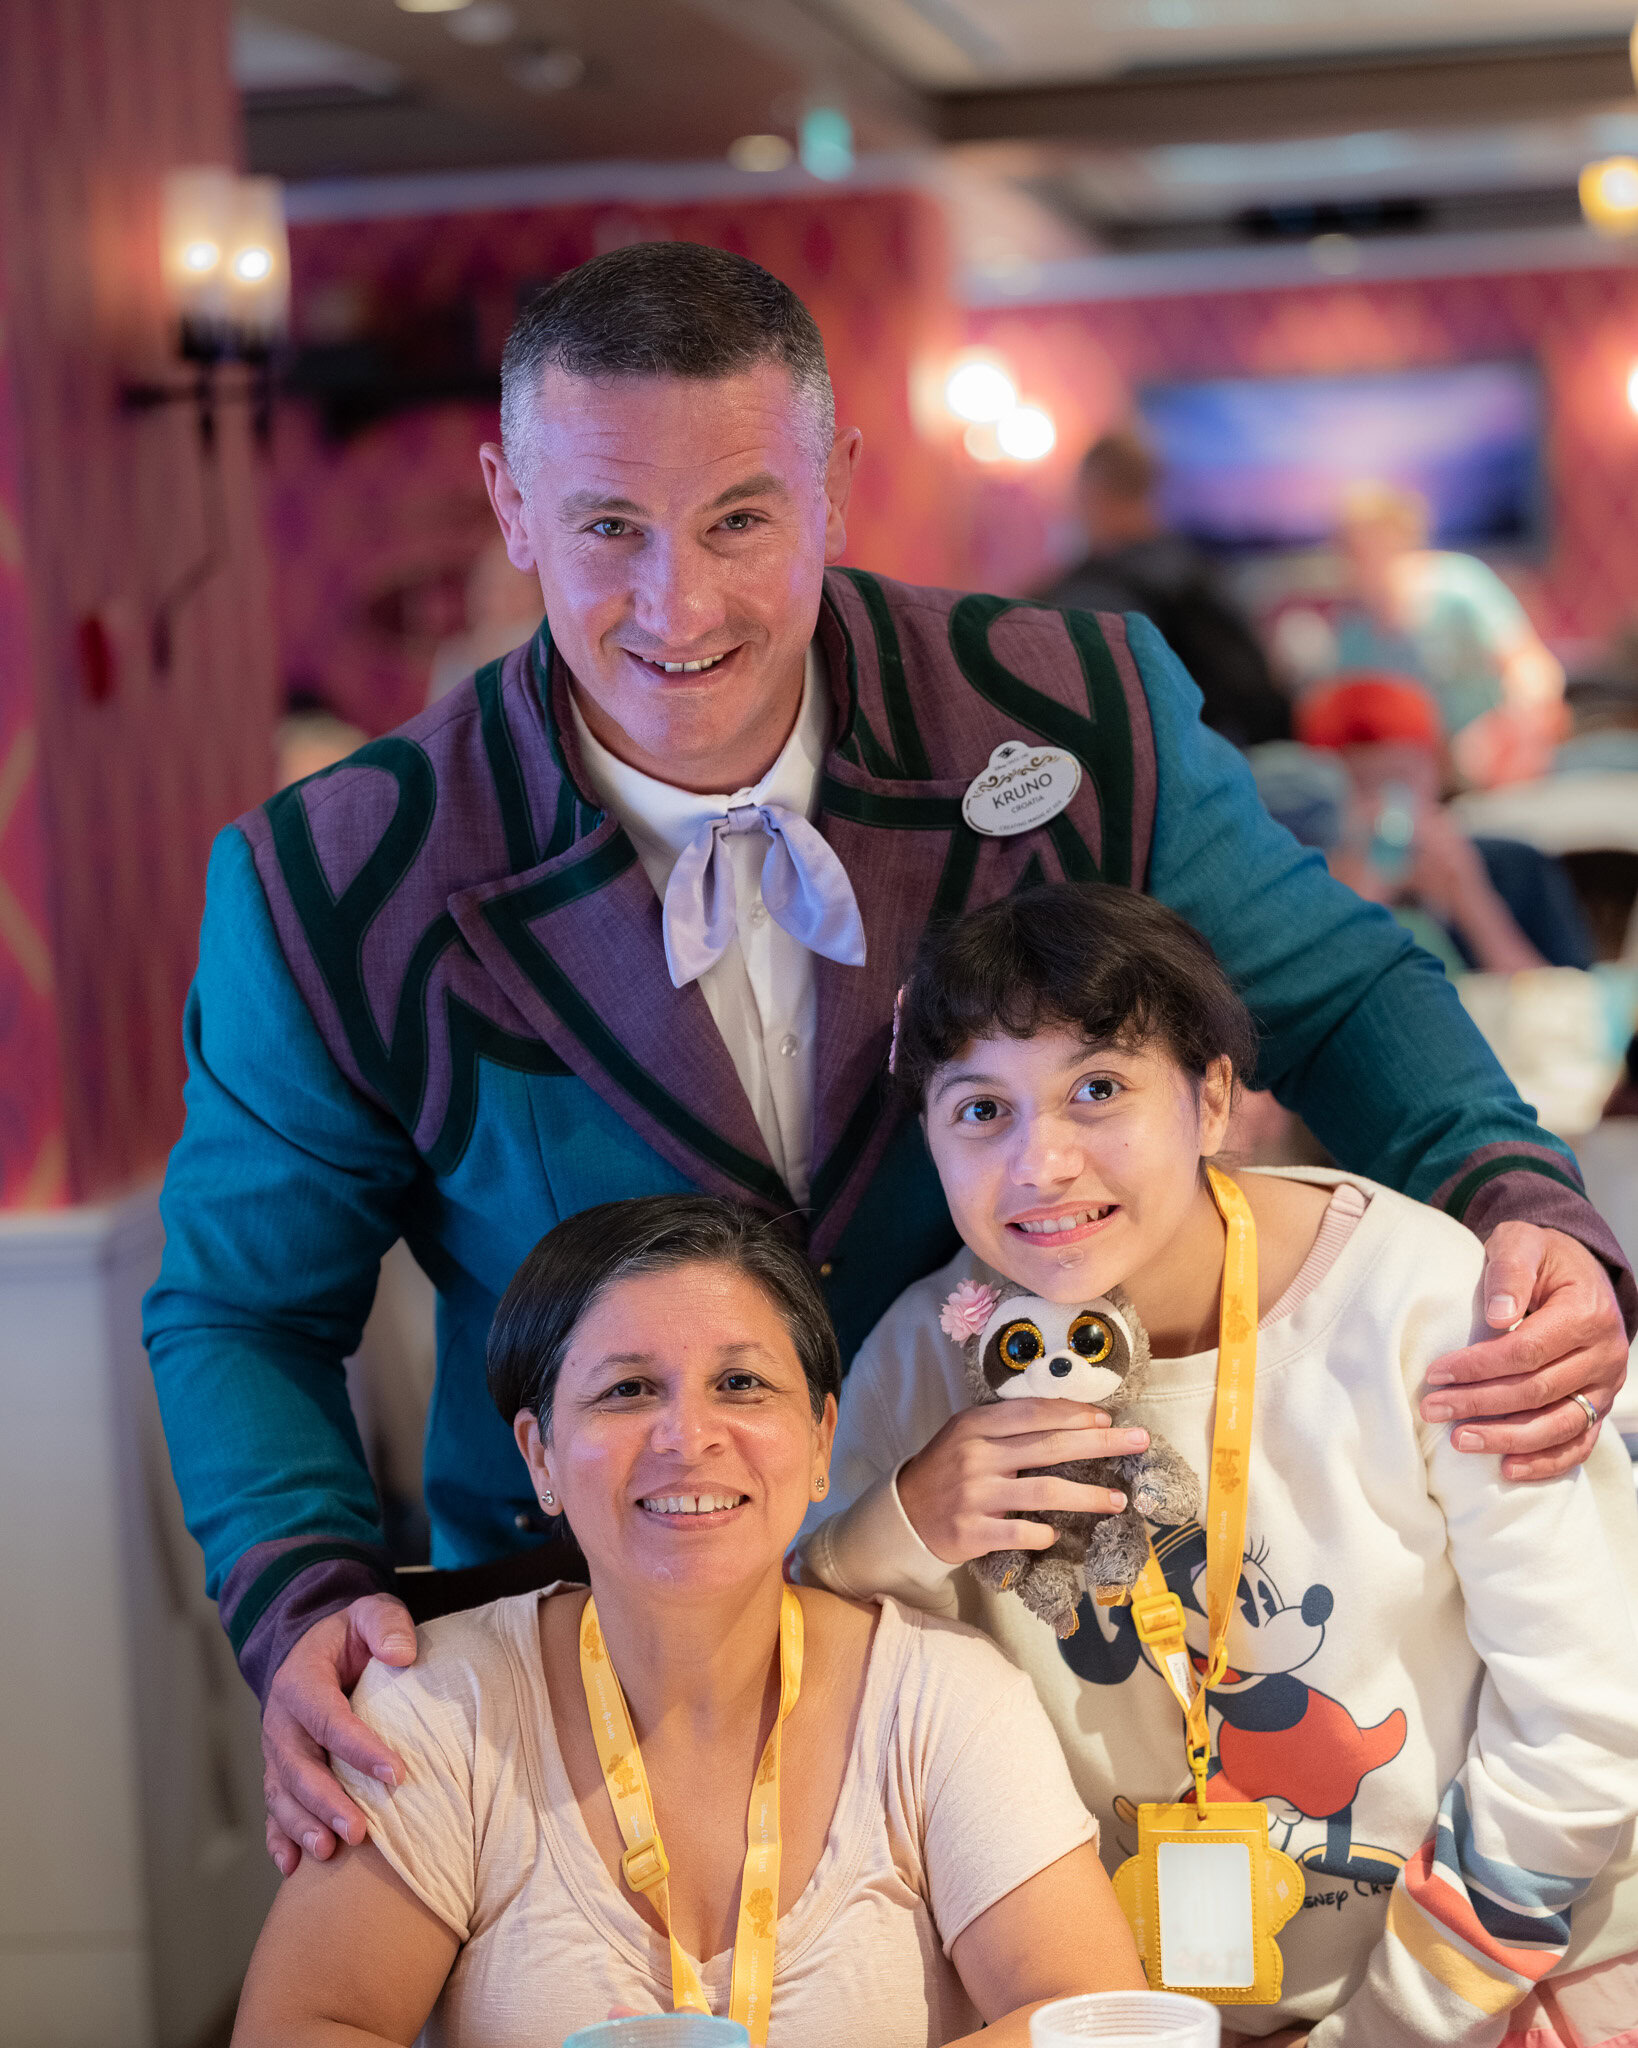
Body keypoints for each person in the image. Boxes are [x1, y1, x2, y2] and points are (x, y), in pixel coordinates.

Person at [141, 243, 1630, 1883]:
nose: (677, 604)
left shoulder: (1072, 713)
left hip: (1030, 1643)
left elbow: (1337, 992)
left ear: (833, 487)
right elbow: (242, 1308)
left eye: (737, 518)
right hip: (603, 1670)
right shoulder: (331, 878)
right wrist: (298, 1580)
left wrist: (1516, 1202)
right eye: (606, 527)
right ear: (510, 505)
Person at [798, 884, 1638, 2048]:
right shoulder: (927, 1355)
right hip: (1128, 2018)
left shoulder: (1423, 1302)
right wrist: (900, 1519)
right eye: (980, 1107)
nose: (1040, 1161)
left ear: (1213, 1098)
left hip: (1502, 1989)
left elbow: (1589, 1724)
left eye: (1098, 1089)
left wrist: (1392, 2026)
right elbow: (806, 1676)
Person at [231, 1195, 1143, 2046]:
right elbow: (310, 2024)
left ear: (823, 1439)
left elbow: (1090, 2018)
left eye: (742, 1383)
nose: (688, 1436)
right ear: (539, 1453)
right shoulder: (436, 1706)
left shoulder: (946, 1700)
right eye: (627, 1391)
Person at [1284, 677, 1596, 976]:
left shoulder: (1516, 865)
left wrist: (1473, 901)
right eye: (1362, 785)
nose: (1384, 806)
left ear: (1437, 769)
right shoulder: (1302, 875)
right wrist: (1359, 897)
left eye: (1401, 781)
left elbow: (1565, 1004)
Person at [1041, 428, 1291, 749]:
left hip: (1153, 773)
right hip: (1225, 762)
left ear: (1094, 492)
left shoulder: (1092, 591)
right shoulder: (1201, 570)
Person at [1308, 482, 1565, 788]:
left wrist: (1513, 727)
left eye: (1368, 542)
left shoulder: (1461, 589)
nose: (1357, 558)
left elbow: (1532, 667)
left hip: (1490, 771)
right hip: (1410, 784)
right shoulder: (1352, 631)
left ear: (1400, 536)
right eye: (1348, 547)